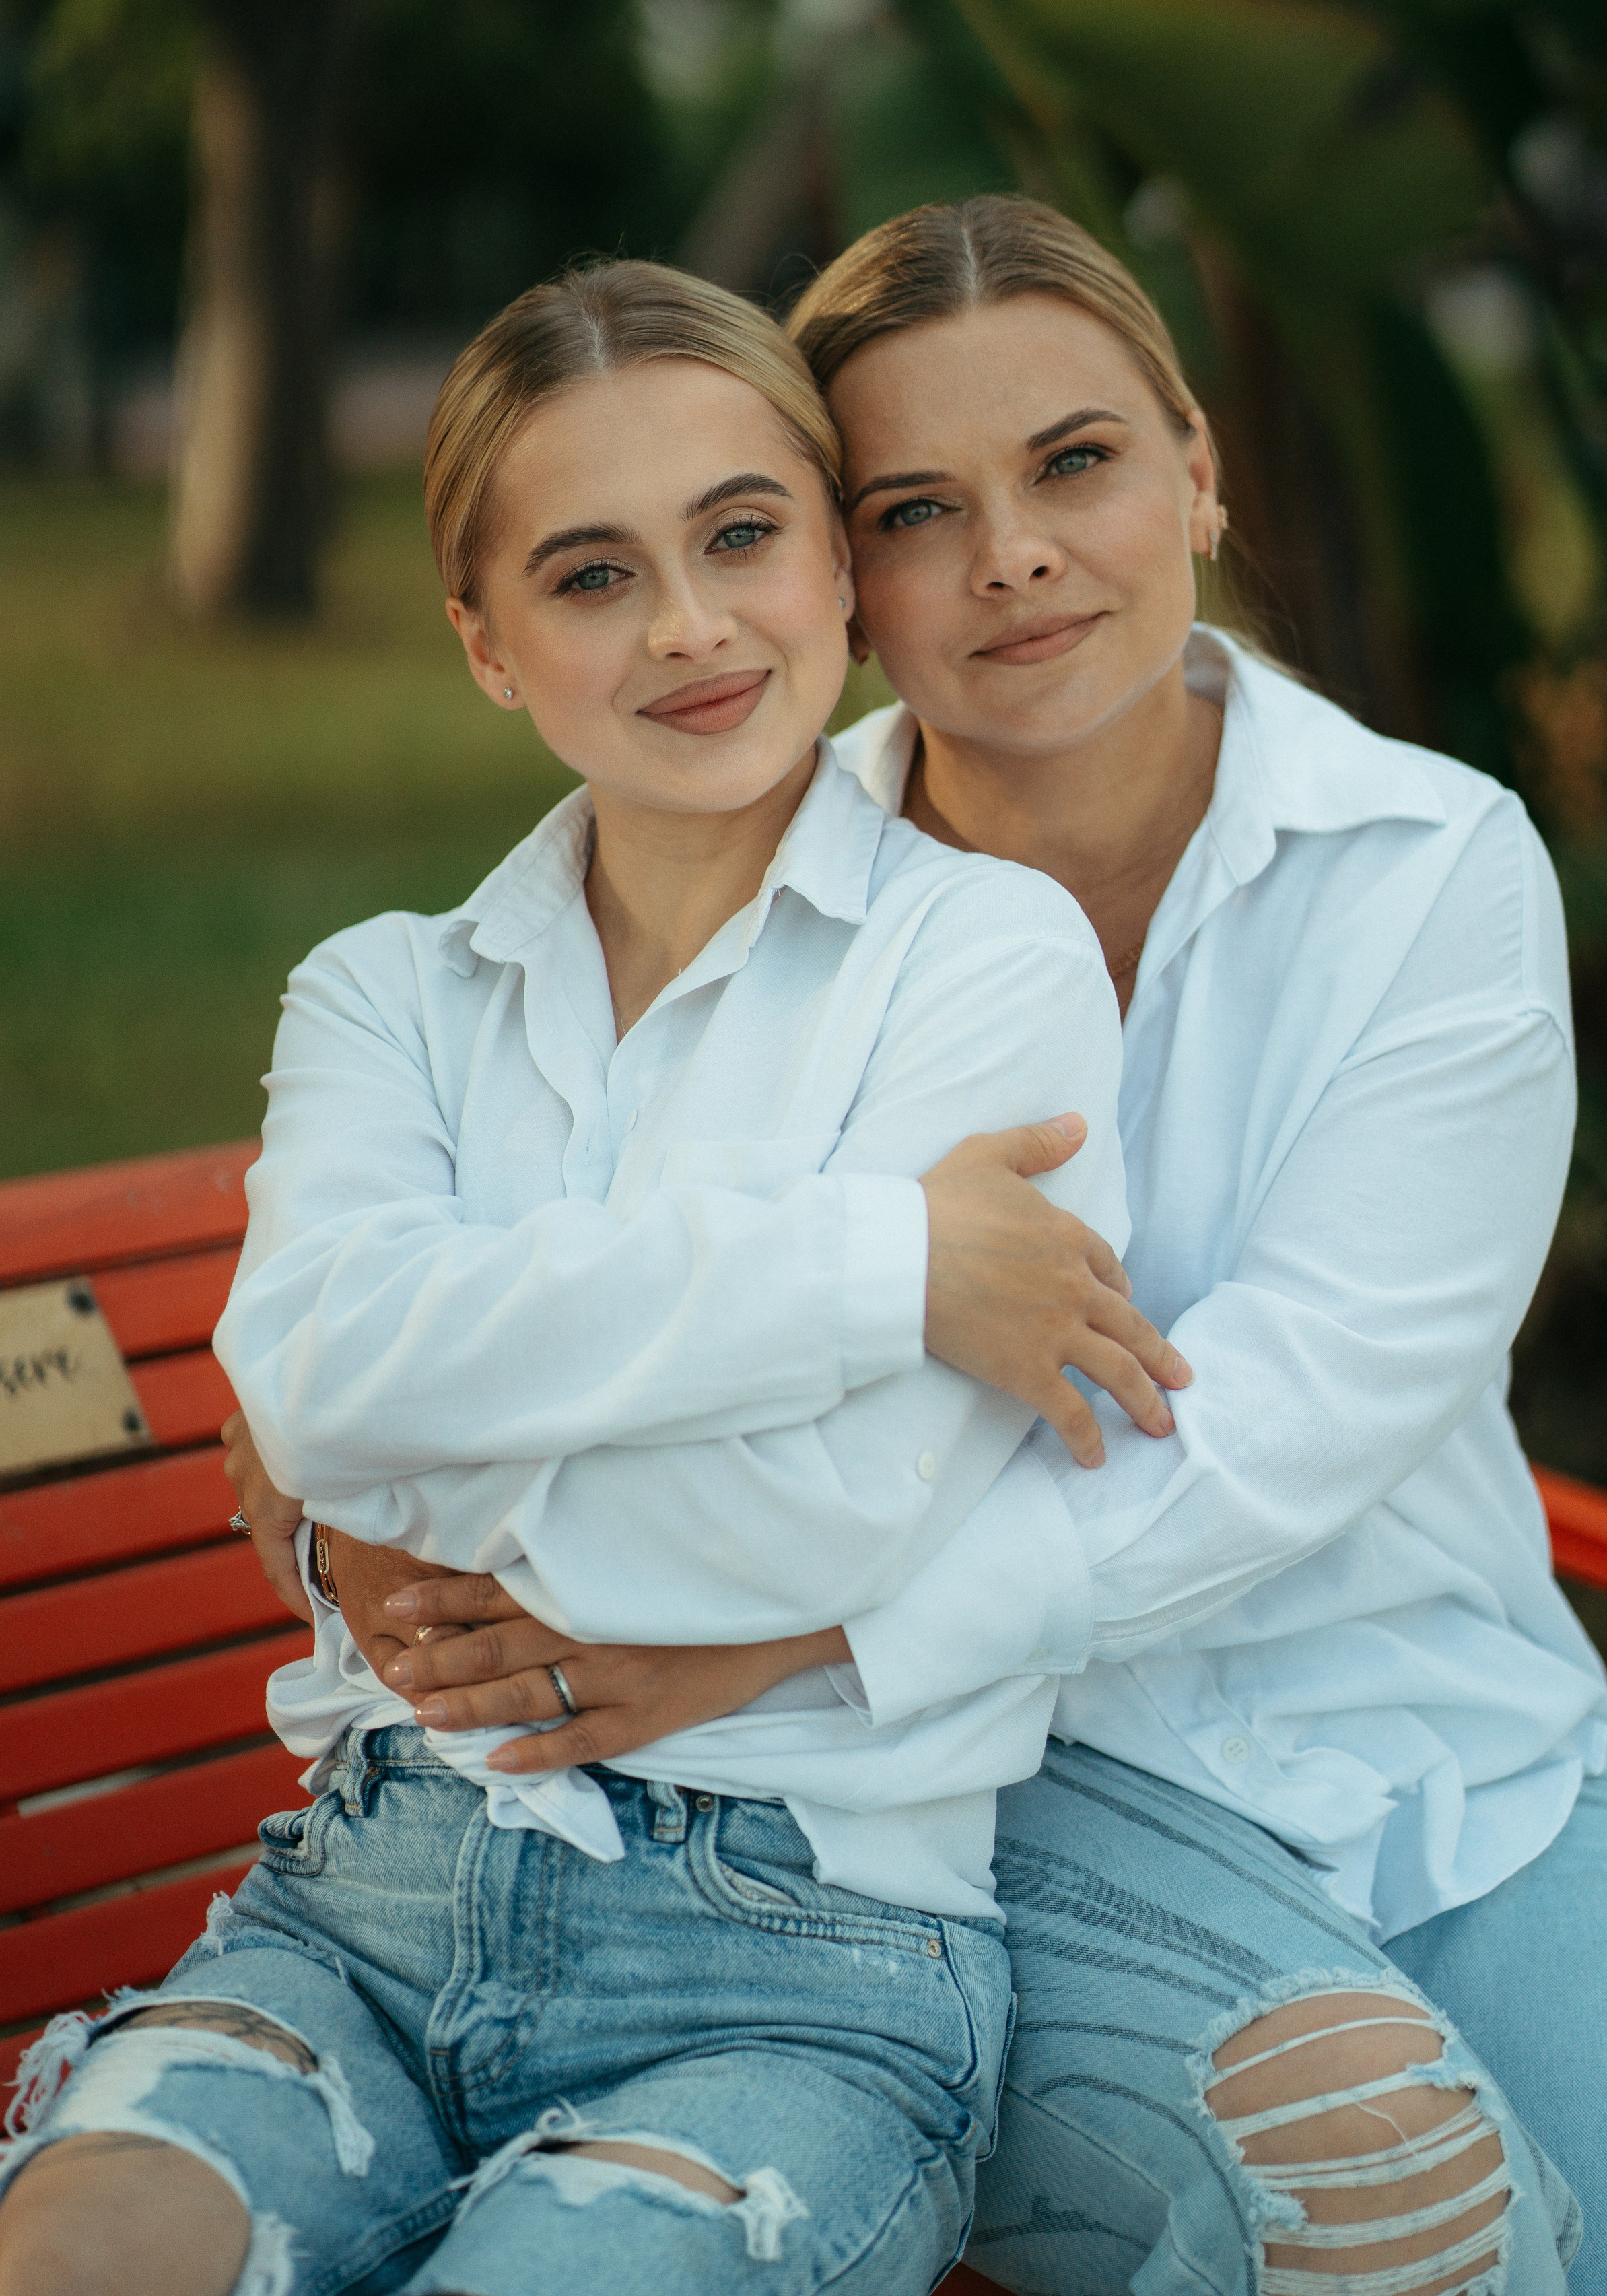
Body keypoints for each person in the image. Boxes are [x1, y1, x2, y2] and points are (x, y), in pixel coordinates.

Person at [224, 196, 1607, 2295]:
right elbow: (465, 1223)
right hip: (974, 1811)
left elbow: (1293, 1422)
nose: (1012, 551)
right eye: (921, 504)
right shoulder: (754, 845)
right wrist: (316, 1486)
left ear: (1199, 467)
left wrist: (787, 1643)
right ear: (848, 564)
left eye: (1079, 461)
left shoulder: (1426, 866)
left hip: (1414, 1740)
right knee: (1388, 2201)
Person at [0, 255, 1191, 2296]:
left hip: (799, 1954)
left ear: (831, 553)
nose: (693, 626)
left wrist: (411, 1451)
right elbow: (314, 1369)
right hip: (360, 1899)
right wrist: (879, 1258)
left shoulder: (980, 961)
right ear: (485, 642)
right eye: (590, 574)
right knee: (81, 2257)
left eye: (741, 534)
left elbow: (810, 1516)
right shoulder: (388, 994)